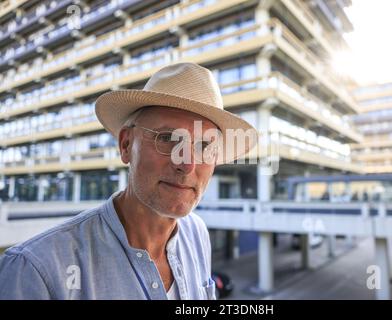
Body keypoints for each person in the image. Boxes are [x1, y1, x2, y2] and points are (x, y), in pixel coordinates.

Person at [0, 62, 257, 299]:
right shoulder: (36, 271)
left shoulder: (197, 233)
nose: (187, 164)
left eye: (204, 146)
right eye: (167, 138)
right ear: (125, 145)